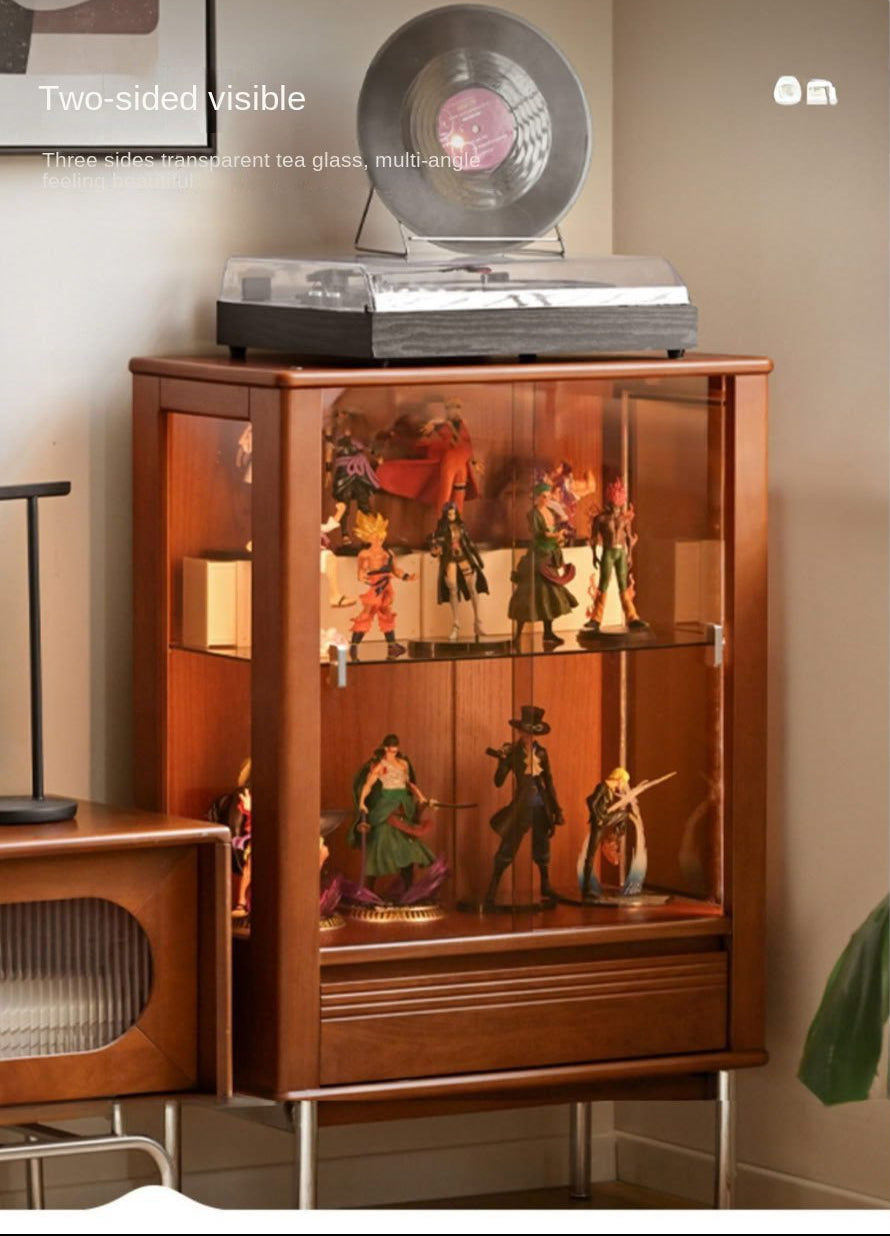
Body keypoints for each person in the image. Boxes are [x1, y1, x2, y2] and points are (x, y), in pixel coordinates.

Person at [484, 705, 564, 908]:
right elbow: (498, 781)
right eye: (524, 732)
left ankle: (545, 884)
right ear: (519, 731)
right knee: (507, 848)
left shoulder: (542, 753)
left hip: (540, 806)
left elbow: (549, 781)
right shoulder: (513, 753)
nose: (527, 736)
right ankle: (492, 887)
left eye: (531, 732)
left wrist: (556, 808)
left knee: (542, 848)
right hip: (521, 807)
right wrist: (502, 762)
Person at [348, 735, 436, 892]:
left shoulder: (403, 764)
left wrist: (422, 797)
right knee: (378, 850)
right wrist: (362, 802)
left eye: (395, 750)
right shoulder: (379, 766)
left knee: (408, 852)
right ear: (385, 748)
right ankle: (369, 891)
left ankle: (409, 891)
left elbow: (410, 785)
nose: (392, 753)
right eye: (390, 749)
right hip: (386, 811)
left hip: (402, 809)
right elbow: (368, 785)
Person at [376, 398, 480, 512]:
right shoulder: (433, 436)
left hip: (451, 463)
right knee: (450, 490)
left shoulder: (446, 432)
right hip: (446, 463)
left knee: (453, 490)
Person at [508, 481, 578, 646]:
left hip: (550, 555)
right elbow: (539, 534)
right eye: (543, 497)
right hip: (538, 557)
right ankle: (518, 635)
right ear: (537, 497)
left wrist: (560, 537)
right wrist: (556, 535)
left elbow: (554, 530)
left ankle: (548, 633)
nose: (546, 499)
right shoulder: (533, 514)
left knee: (550, 596)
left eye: (548, 496)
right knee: (528, 596)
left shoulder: (550, 511)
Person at [349, 510, 416, 660]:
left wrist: (407, 577)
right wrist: (364, 576)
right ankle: (354, 645)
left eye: (380, 534)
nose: (378, 538)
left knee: (386, 614)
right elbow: (360, 573)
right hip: (376, 587)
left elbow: (396, 570)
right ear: (367, 537)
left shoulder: (388, 553)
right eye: (374, 535)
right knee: (367, 613)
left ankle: (391, 645)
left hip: (387, 587)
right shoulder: (364, 554)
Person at [585, 476, 648, 632]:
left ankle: (632, 617)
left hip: (620, 552)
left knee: (623, 584)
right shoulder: (601, 519)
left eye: (618, 504)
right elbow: (593, 538)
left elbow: (629, 538)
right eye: (614, 504)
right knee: (603, 584)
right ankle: (596, 618)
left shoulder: (624, 519)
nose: (616, 507)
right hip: (608, 550)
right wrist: (594, 555)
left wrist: (629, 555)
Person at [428, 501, 488, 640]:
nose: (452, 516)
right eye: (449, 514)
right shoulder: (441, 529)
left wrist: (478, 558)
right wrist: (435, 550)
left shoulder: (461, 526)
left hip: (463, 556)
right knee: (453, 588)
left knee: (472, 586)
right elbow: (435, 546)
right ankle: (456, 624)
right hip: (450, 559)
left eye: (453, 513)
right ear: (445, 514)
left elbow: (468, 542)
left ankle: (478, 622)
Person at [580, 767, 630, 900]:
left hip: (603, 819)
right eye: (624, 782)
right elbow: (590, 800)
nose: (624, 785)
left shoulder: (610, 789)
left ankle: (612, 839)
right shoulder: (602, 787)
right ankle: (612, 840)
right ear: (619, 779)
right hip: (600, 820)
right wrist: (598, 817)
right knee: (590, 854)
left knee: (623, 815)